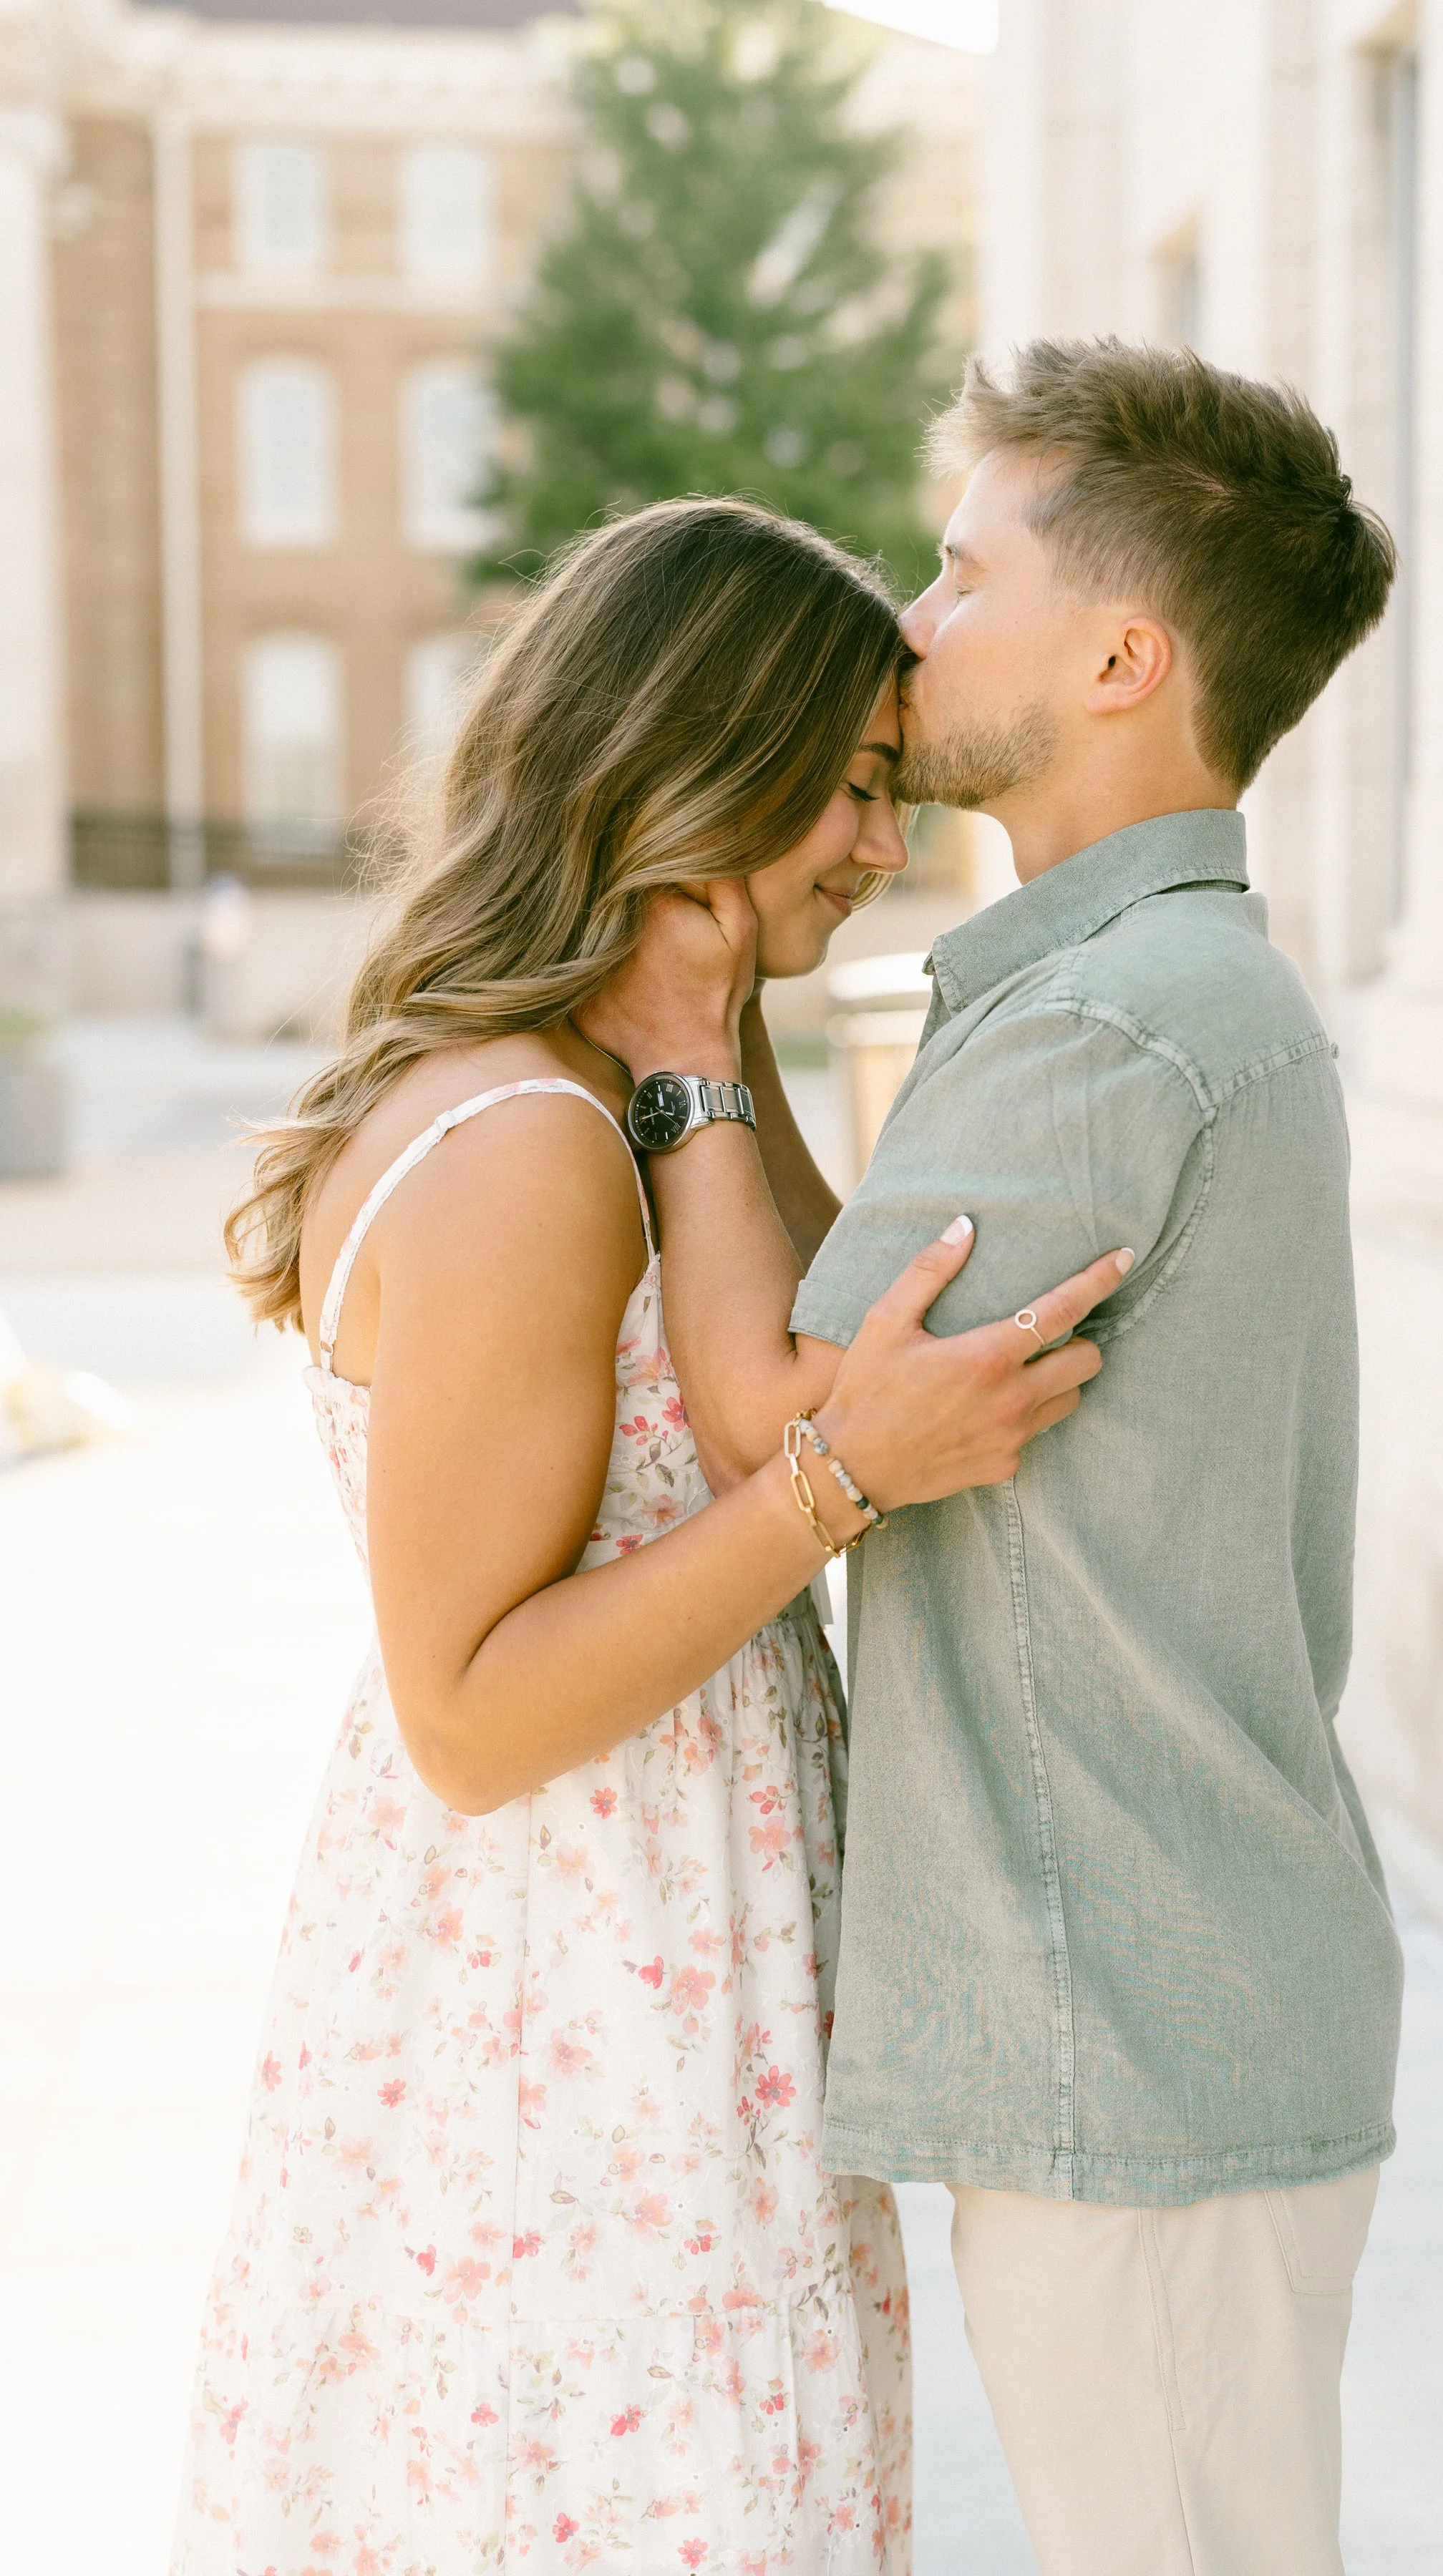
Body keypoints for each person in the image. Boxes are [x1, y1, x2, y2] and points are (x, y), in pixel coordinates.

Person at [170, 497, 1129, 2576]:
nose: (885, 849)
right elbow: (473, 1717)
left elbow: (781, 1347)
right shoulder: (526, 1144)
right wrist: (841, 1487)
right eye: (857, 790)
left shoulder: (641, 1084)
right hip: (572, 2001)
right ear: (704, 759)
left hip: (669, 1949)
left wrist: (713, 1053)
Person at [582, 341, 1407, 2576]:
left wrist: (679, 1046)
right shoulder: (1123, 996)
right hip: (1163, 2016)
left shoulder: (1107, 1027)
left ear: (1124, 654)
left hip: (1135, 2043)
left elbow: (784, 1417)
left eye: (963, 572)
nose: (909, 621)